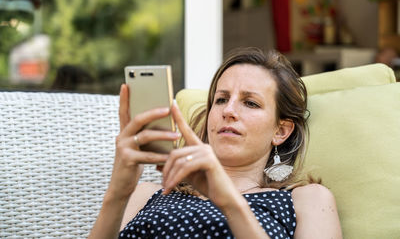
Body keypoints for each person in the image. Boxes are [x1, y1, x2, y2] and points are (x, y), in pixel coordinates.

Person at [89, 48, 342, 238]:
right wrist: (117, 194)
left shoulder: (306, 200)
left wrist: (229, 201)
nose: (228, 110)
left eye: (250, 103)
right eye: (221, 100)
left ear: (281, 131)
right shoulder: (147, 193)